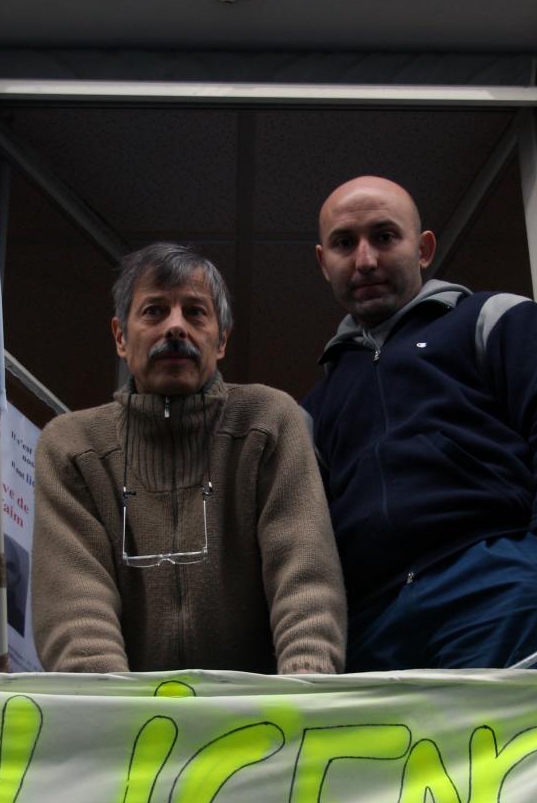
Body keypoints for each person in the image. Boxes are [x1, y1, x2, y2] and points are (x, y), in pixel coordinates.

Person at [305, 176, 537, 670]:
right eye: (344, 243)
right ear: (323, 262)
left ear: (423, 249)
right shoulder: (316, 406)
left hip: (498, 586)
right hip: (372, 629)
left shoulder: (493, 319)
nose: (365, 260)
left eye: (384, 236)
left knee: (509, 749)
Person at [32, 242, 345, 675]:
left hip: (263, 723)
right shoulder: (71, 445)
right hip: (127, 729)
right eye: (154, 311)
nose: (175, 327)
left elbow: (304, 579)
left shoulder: (269, 421)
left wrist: (303, 696)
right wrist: (110, 716)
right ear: (121, 337)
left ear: (222, 340)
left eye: (195, 312)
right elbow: (75, 608)